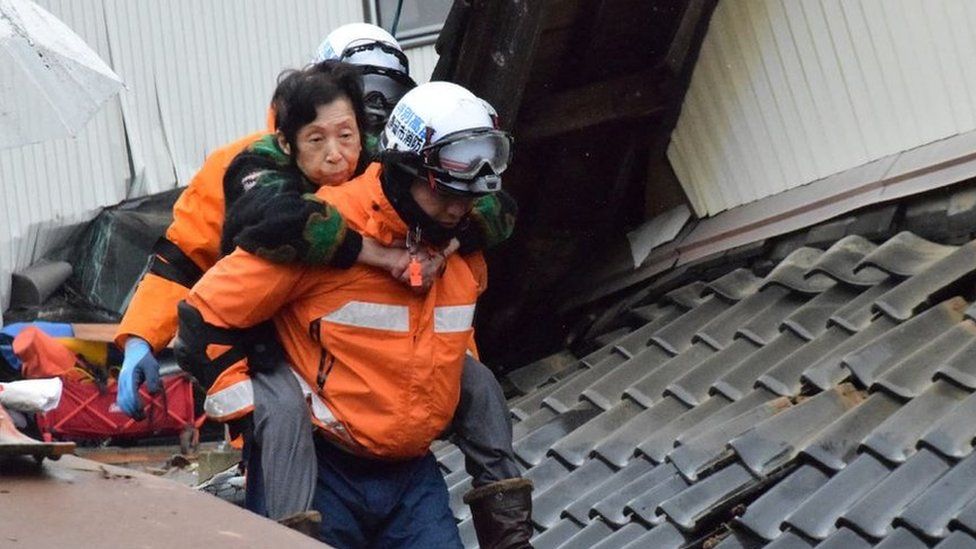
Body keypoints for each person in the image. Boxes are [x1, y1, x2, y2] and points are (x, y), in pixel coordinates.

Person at [117, 24, 531, 545]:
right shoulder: (258, 166)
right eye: (359, 93)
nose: (336, 150)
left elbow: (492, 206)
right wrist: (139, 338)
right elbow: (188, 259)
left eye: (382, 99)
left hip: (398, 427)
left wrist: (449, 240)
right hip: (280, 362)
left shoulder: (412, 174)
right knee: (285, 417)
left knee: (480, 389)